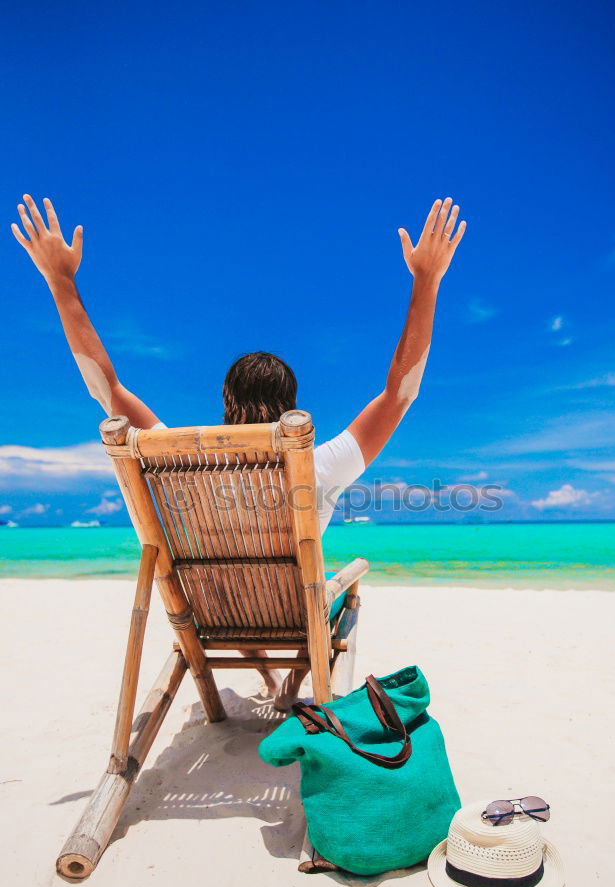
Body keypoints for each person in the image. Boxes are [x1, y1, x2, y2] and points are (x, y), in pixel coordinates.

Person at [12, 193, 466, 707]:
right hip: (293, 613)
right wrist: (426, 281)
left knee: (231, 580)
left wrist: (61, 281)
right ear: (292, 408)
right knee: (346, 578)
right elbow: (400, 394)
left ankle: (270, 679)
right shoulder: (321, 463)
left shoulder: (178, 458)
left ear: (226, 406)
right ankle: (294, 681)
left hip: (214, 611)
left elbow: (106, 389)